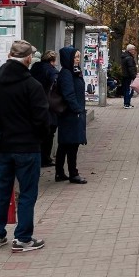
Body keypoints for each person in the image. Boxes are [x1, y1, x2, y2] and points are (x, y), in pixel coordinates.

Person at [0, 39, 49, 253]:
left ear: (9, 56)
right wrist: (40, 137)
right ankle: (22, 238)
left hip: (2, 146)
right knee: (27, 193)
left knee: (1, 191)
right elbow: (42, 119)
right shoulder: (32, 85)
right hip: (27, 148)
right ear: (29, 58)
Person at [54, 46, 88, 184]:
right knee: (72, 144)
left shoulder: (73, 72)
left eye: (79, 57)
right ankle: (73, 173)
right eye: (75, 57)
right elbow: (69, 94)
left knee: (65, 144)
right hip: (71, 114)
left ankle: (60, 172)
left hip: (72, 113)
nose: (77, 59)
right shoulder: (66, 73)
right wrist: (77, 109)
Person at [30, 50, 58, 167]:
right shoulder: (51, 71)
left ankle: (38, 157)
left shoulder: (35, 67)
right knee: (49, 132)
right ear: (52, 61)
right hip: (47, 104)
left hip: (33, 102)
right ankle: (45, 158)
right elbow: (56, 83)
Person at [121, 44, 138, 109]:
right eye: (133, 49)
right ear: (130, 50)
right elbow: (131, 68)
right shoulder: (129, 58)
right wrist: (134, 77)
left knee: (126, 90)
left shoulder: (125, 57)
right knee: (129, 90)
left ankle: (126, 103)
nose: (134, 51)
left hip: (125, 75)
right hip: (128, 76)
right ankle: (127, 103)